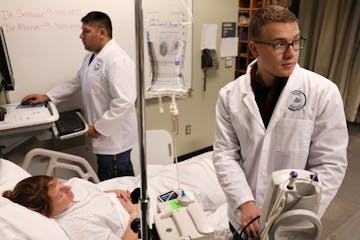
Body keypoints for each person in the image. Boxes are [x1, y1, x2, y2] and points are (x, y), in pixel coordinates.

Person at [212, 5, 348, 239]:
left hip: (293, 221)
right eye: (279, 44)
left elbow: (330, 164)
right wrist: (245, 203)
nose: (291, 52)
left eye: (296, 41)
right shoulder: (230, 95)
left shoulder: (323, 92)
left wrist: (295, 214)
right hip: (244, 218)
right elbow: (225, 154)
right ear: (254, 49)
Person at [22, 11, 138, 181]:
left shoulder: (117, 60)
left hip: (114, 141)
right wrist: (47, 96)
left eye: (86, 31)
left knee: (118, 187)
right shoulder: (92, 57)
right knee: (112, 183)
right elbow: (77, 82)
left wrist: (99, 128)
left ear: (102, 33)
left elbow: (124, 101)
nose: (80, 36)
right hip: (104, 137)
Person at [2, 175, 140, 240]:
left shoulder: (73, 186)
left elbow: (95, 192)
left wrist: (114, 192)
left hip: (128, 197)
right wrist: (135, 213)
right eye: (60, 193)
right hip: (137, 221)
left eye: (59, 182)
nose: (67, 187)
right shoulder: (80, 227)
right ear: (46, 211)